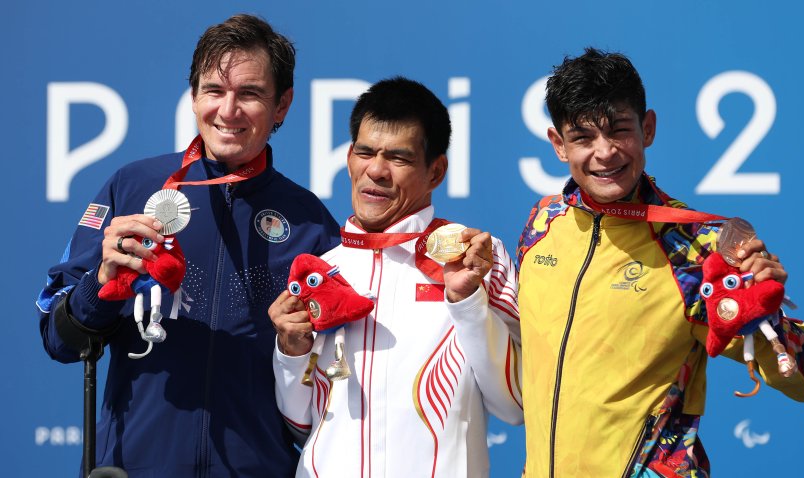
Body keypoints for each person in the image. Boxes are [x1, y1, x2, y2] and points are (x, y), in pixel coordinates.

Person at [36, 14, 340, 477]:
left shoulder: (309, 223)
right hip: (133, 468)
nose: (228, 110)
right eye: (214, 91)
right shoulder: (133, 188)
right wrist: (100, 286)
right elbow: (58, 339)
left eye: (251, 94)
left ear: (283, 105)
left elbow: (332, 387)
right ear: (194, 95)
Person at [516, 48, 804, 477]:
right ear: (558, 145)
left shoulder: (697, 249)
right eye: (583, 137)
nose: (604, 152)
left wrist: (770, 322)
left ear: (648, 128)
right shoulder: (542, 223)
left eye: (619, 130)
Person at [269, 77, 523, 477]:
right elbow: (301, 424)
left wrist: (468, 304)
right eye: (365, 152)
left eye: (399, 158)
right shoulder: (322, 271)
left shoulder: (477, 261)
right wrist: (291, 349)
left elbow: (516, 405)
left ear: (436, 171)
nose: (376, 170)